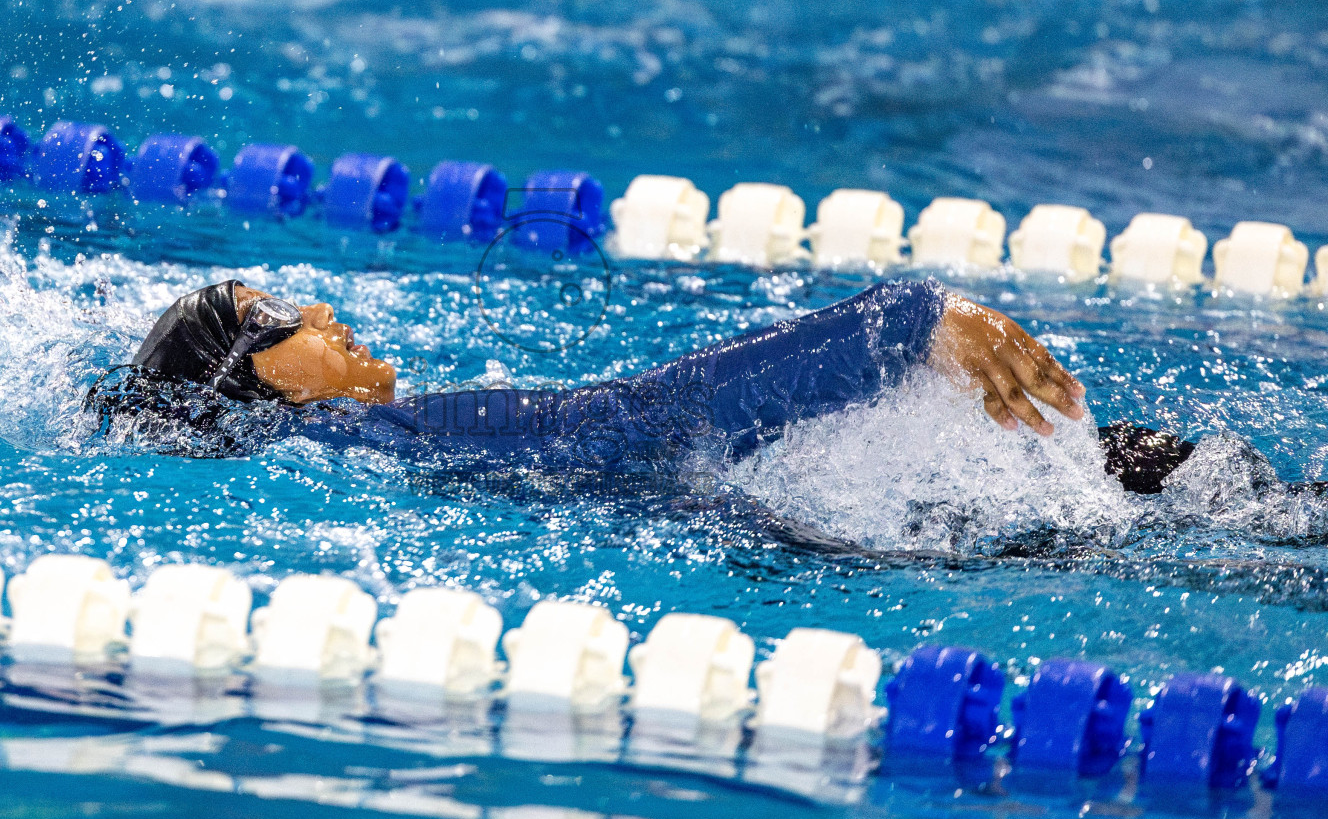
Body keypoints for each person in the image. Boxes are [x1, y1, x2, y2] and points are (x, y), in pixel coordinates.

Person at [89, 277, 1203, 491]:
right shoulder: (371, 441)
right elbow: (639, 418)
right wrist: (906, 323)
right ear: (260, 381)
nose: (320, 311)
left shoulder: (374, 458)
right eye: (277, 319)